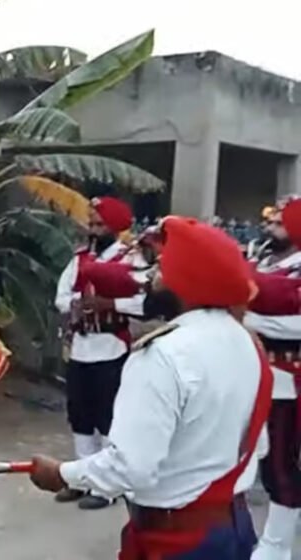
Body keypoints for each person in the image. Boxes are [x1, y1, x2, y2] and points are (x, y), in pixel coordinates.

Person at [28, 216, 270, 559]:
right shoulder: (248, 344)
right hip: (234, 527)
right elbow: (257, 446)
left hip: (178, 539)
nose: (149, 280)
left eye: (160, 270)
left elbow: (131, 467)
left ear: (186, 281)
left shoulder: (163, 355)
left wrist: (63, 474)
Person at [52, 196, 146, 510]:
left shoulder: (131, 259)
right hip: (81, 346)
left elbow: (145, 301)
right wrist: (74, 304)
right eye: (91, 224)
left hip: (111, 347)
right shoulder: (80, 258)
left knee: (107, 418)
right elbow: (62, 294)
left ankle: (106, 488)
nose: (93, 229)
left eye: (99, 224)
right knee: (79, 414)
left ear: (116, 227)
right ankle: (83, 479)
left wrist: (110, 305)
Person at [245, 198, 301, 559]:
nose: (270, 228)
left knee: (283, 465)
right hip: (254, 372)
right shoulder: (265, 258)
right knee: (258, 457)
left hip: (288, 380)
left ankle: (276, 547)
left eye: (280, 223)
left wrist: (243, 318)